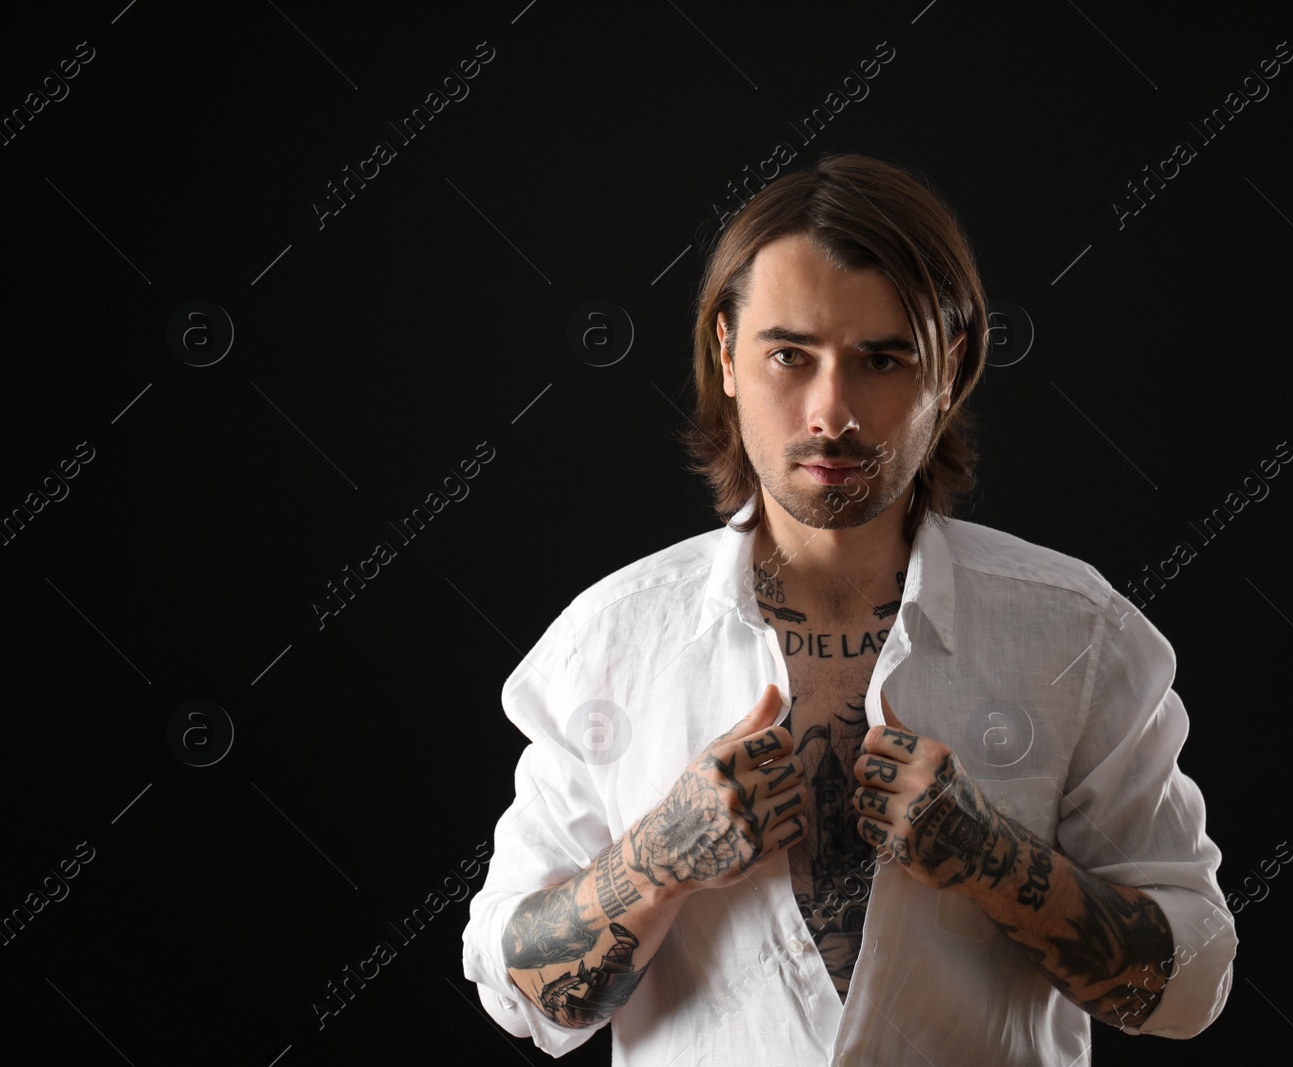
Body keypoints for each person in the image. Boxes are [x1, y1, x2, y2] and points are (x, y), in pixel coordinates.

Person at [461, 153, 1237, 1065]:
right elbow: (517, 991)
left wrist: (996, 864)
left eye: (882, 359)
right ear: (726, 354)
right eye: (790, 354)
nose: (832, 413)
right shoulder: (612, 641)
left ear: (952, 369)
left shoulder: (1078, 637)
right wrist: (659, 860)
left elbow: (1186, 987)